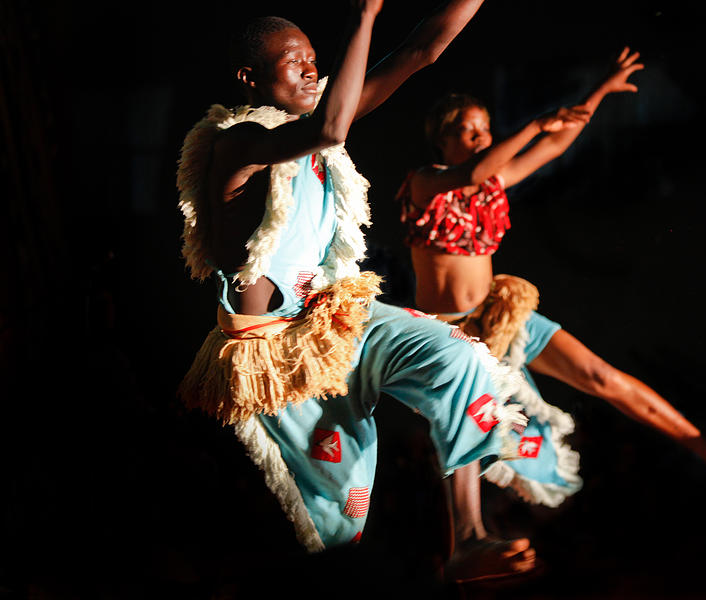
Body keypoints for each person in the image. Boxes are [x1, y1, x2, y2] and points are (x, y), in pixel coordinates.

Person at [175, 1, 540, 579]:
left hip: (339, 317)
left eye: (315, 62)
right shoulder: (237, 143)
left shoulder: (319, 123)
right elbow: (330, 127)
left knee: (457, 353)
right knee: (337, 520)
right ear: (250, 77)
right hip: (277, 353)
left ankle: (468, 537)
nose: (310, 71)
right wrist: (365, 16)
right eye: (293, 61)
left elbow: (421, 50)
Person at [397, 47, 706, 578]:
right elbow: (476, 169)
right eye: (470, 132)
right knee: (465, 428)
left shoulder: (492, 182)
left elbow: (557, 142)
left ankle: (700, 443)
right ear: (443, 139)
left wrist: (598, 92)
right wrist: (532, 125)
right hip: (453, 338)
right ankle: (464, 544)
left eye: (486, 129)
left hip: (502, 315)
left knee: (599, 375)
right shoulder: (423, 184)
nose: (481, 139)